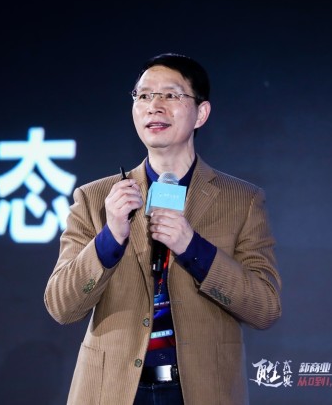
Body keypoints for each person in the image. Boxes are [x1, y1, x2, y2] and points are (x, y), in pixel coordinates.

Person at [44, 53, 282, 405]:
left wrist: (193, 248)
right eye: (143, 96)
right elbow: (62, 306)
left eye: (170, 95)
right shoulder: (95, 198)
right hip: (112, 392)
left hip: (202, 392)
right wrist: (110, 237)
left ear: (201, 113)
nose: (154, 106)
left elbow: (265, 308)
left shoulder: (241, 200)